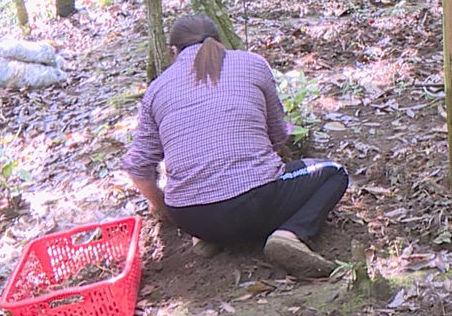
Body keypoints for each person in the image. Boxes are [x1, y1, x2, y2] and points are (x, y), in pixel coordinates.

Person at [122, 15, 349, 277]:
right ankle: (290, 234)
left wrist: (162, 207)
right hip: (256, 204)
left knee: (207, 201)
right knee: (334, 172)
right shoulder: (252, 63)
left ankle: (209, 238)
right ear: (219, 41)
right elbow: (277, 135)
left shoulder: (156, 89)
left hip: (190, 217)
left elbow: (138, 167)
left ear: (173, 51)